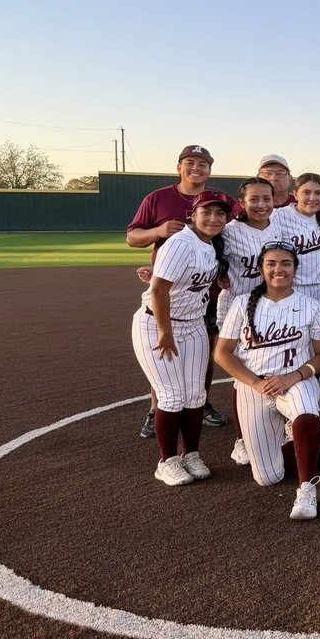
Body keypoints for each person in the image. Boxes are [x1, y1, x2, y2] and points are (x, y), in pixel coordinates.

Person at [214, 242, 320, 518]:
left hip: (295, 380)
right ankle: (304, 443)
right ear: (261, 269)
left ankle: (307, 488)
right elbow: (222, 353)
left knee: (305, 412)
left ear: (295, 269)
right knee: (268, 477)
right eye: (271, 264)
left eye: (286, 264)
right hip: (254, 385)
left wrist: (294, 376)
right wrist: (256, 383)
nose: (279, 269)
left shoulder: (310, 305)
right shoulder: (243, 303)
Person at [127, 144, 229, 438]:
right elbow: (132, 237)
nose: (196, 168)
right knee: (166, 364)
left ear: (210, 170)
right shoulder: (158, 198)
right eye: (190, 162)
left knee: (201, 358)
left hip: (202, 295)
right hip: (168, 294)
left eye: (203, 164)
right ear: (179, 167)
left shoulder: (222, 202)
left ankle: (201, 404)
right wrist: (157, 232)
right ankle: (156, 409)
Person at [132, 190, 230, 486]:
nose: (213, 219)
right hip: (158, 325)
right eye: (207, 212)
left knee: (196, 395)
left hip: (194, 324)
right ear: (194, 215)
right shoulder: (181, 243)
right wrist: (165, 332)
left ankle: (191, 454)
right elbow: (159, 291)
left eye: (220, 214)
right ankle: (167, 461)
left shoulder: (209, 244)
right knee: (172, 396)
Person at [218, 177, 277, 466]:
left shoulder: (281, 226)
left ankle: (278, 427)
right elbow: (206, 250)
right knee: (241, 376)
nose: (261, 205)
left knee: (276, 366)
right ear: (242, 203)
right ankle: (242, 438)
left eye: (266, 198)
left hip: (275, 309)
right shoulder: (230, 232)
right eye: (254, 199)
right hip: (240, 310)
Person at [271, 172, 320, 303]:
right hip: (293, 288)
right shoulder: (279, 216)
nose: (312, 198)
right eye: (306, 192)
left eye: (318, 193)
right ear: (295, 194)